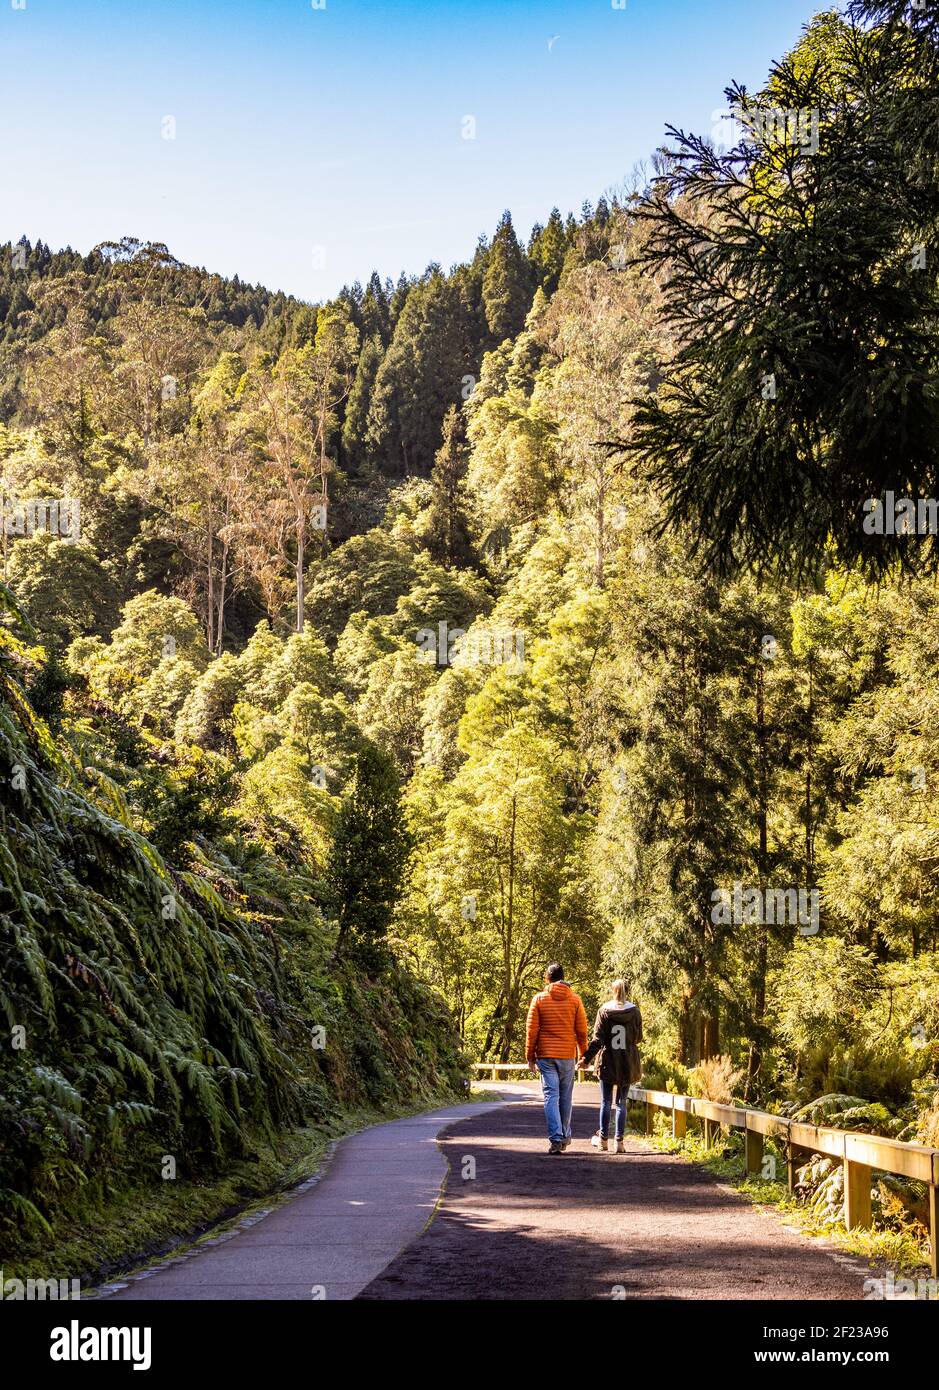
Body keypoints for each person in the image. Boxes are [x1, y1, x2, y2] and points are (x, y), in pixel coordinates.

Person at [525, 963, 588, 1155]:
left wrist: (530, 1056)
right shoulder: (575, 1000)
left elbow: (532, 1030)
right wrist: (583, 1055)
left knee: (551, 1096)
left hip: (545, 1055)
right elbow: (582, 1031)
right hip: (567, 1055)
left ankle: (556, 1138)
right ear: (563, 977)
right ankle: (565, 1136)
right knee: (565, 1097)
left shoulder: (539, 999)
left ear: (547, 978)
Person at [581, 980, 642, 1153]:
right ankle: (619, 1142)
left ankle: (603, 1141)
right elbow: (638, 1038)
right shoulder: (635, 1011)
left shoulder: (604, 1011)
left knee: (606, 1101)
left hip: (608, 1061)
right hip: (627, 1062)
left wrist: (586, 1059)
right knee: (621, 1102)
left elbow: (598, 1040)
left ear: (612, 991)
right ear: (627, 992)